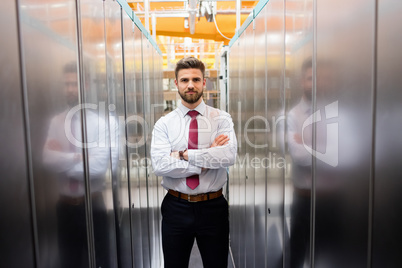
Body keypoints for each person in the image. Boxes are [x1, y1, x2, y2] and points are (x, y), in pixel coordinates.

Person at [151, 57, 237, 268]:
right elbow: (160, 166)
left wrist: (182, 154)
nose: (190, 85)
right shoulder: (164, 124)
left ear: (204, 83)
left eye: (196, 79)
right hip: (176, 207)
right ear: (176, 83)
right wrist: (207, 157)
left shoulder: (222, 119)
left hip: (213, 208)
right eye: (185, 80)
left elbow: (227, 157)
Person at [42, 62, 112, 268]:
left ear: (86, 86)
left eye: (75, 84)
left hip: (93, 206)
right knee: (69, 261)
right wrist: (78, 157)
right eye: (67, 84)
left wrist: (60, 158)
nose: (71, 89)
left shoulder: (99, 123)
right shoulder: (56, 122)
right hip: (64, 208)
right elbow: (46, 160)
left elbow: (98, 166)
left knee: (99, 261)